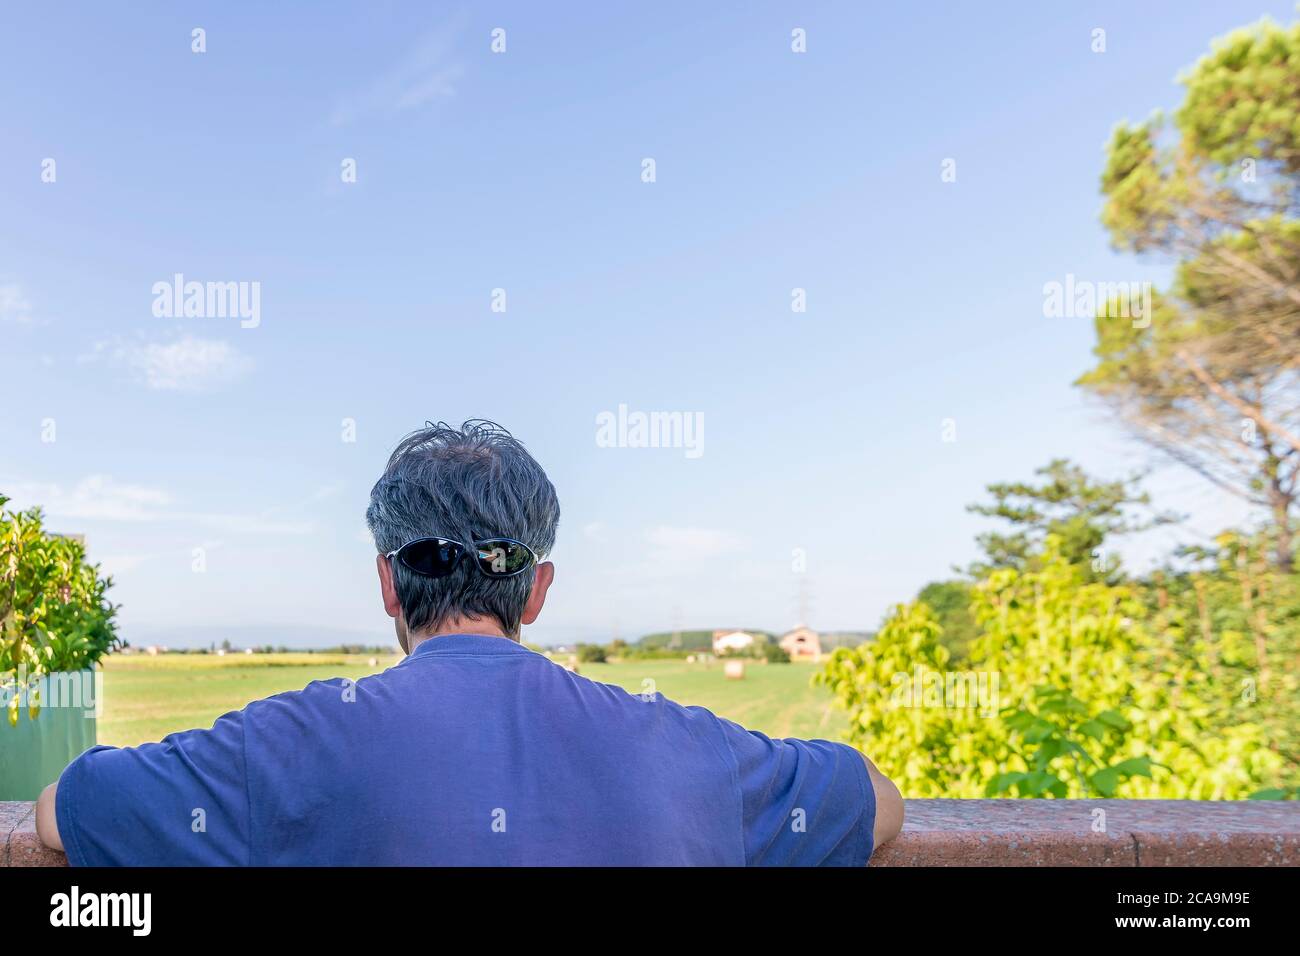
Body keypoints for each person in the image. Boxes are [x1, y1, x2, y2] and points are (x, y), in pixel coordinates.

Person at [36, 420, 903, 865]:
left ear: (387, 585)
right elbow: (876, 800)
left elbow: (63, 813)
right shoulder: (686, 745)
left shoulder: (284, 744)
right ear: (536, 587)